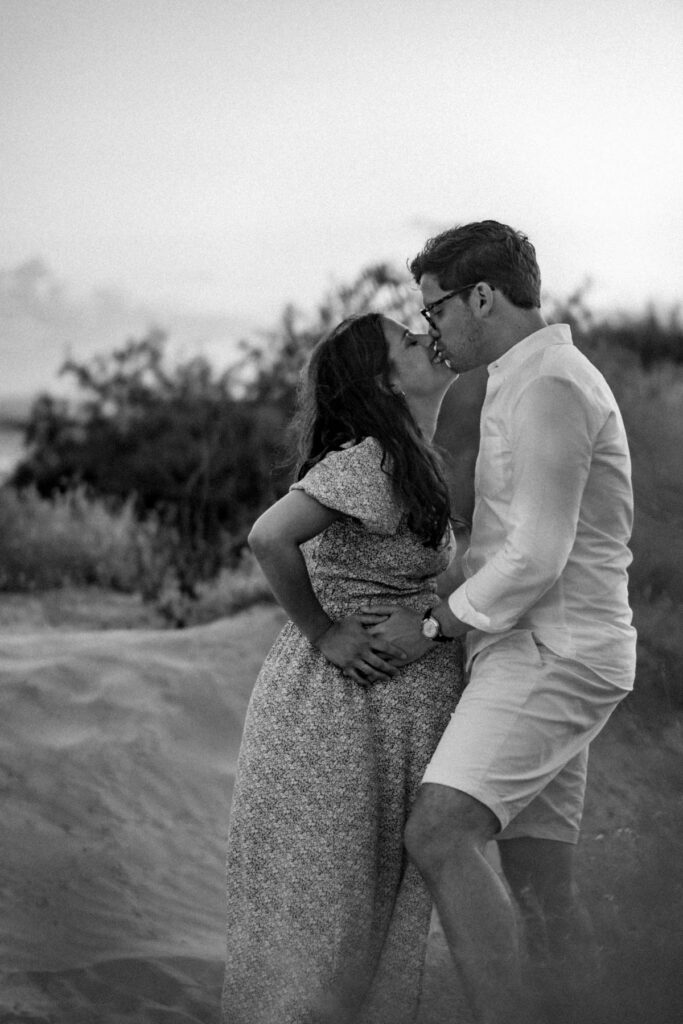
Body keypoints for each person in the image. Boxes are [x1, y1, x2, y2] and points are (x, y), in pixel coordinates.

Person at [361, 221, 637, 1023]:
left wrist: (433, 625)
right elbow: (500, 544)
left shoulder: (549, 384)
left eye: (436, 309)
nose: (432, 328)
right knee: (541, 882)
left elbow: (538, 554)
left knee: (439, 834)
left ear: (481, 296)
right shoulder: (523, 379)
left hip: (551, 651)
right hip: (545, 648)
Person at [221, 313, 465, 1024]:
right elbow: (268, 536)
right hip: (336, 724)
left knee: (366, 932)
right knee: (324, 933)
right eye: (408, 342)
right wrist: (324, 631)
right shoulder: (372, 460)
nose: (428, 340)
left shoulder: (412, 459)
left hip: (383, 729)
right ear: (385, 383)